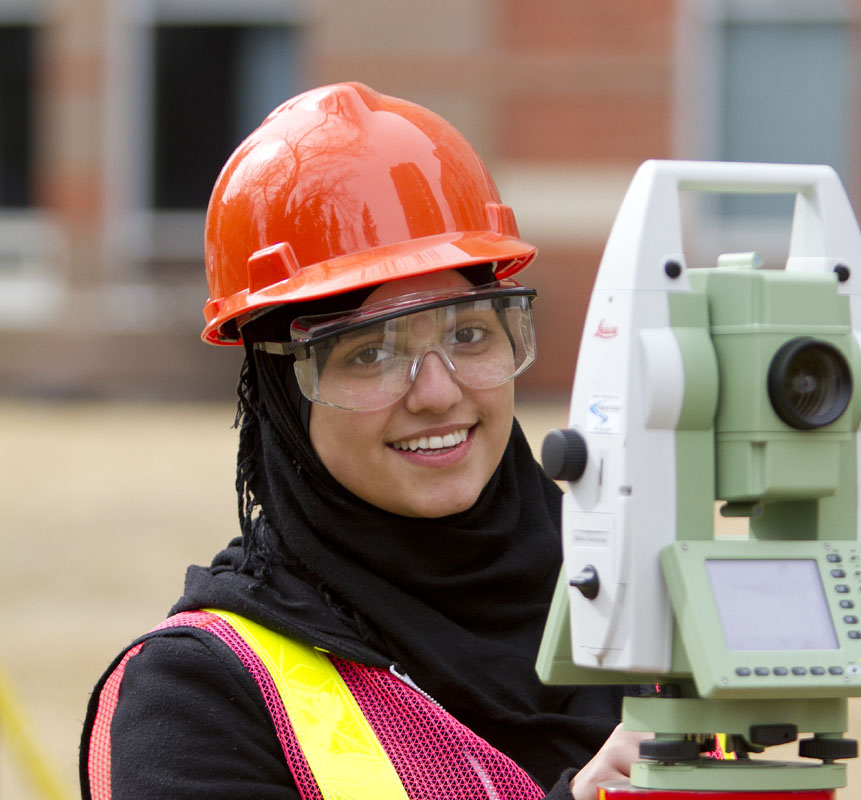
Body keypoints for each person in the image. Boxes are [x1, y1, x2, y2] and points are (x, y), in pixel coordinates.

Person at [80, 82, 645, 800]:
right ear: (283, 395)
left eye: (469, 333)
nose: (438, 392)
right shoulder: (203, 697)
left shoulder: (639, 608)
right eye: (369, 354)